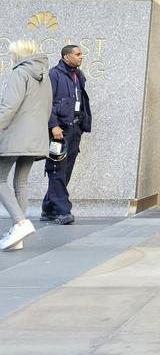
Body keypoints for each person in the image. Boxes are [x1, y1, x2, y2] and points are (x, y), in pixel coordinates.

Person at [0, 40, 52, 251]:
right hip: (36, 137)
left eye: (11, 54)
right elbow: (47, 108)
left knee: (0, 178)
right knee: (20, 183)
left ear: (18, 55)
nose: (10, 58)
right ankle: (18, 236)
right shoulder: (45, 77)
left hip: (15, 135)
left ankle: (21, 223)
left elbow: (9, 107)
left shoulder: (19, 73)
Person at [41, 44, 92, 225]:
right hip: (59, 132)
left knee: (66, 171)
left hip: (74, 130)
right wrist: (53, 126)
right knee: (56, 169)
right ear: (66, 56)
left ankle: (48, 208)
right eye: (78, 54)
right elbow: (46, 103)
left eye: (81, 54)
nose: (81, 57)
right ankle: (63, 211)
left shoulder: (79, 75)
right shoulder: (54, 75)